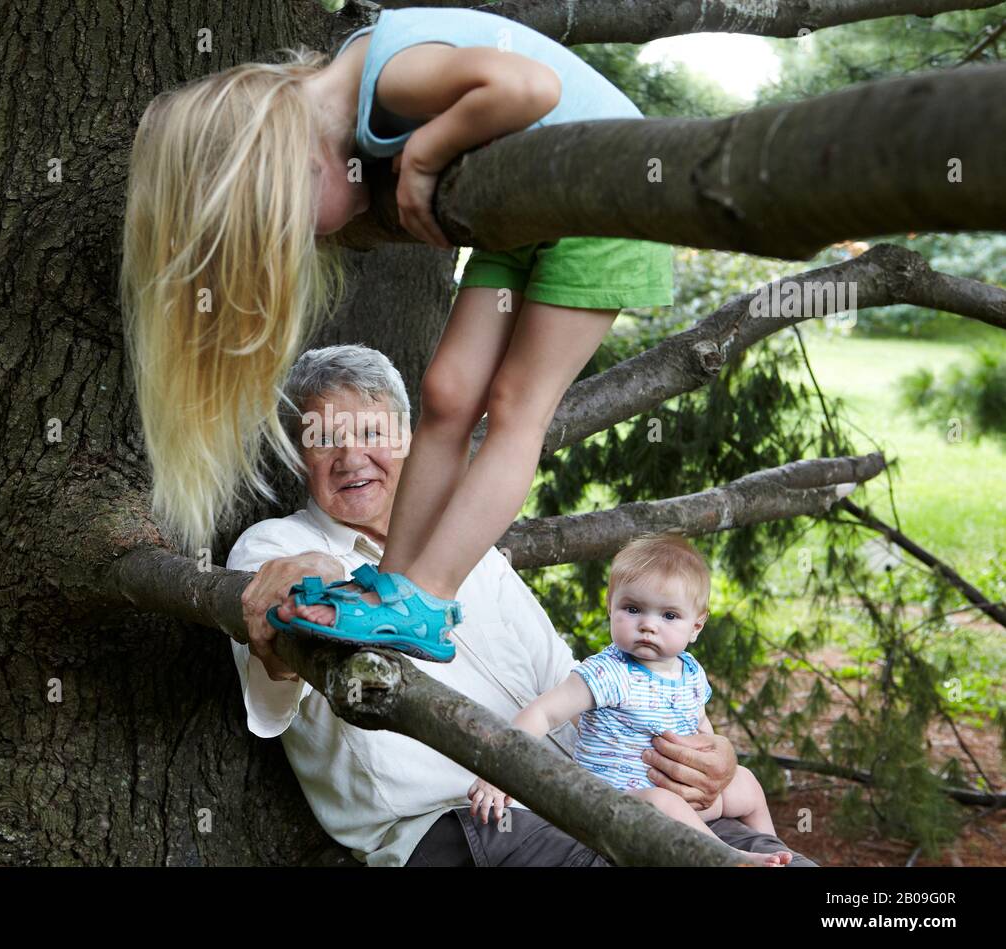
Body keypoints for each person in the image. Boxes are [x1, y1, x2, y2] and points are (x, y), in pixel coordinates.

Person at [120, 9, 673, 658]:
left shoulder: (390, 75)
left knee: (518, 407)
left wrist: (425, 159)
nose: (315, 241)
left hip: (603, 195)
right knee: (445, 392)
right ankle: (395, 590)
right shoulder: (358, 92)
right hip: (531, 212)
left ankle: (427, 602)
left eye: (292, 229)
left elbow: (529, 90)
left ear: (297, 167)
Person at [228, 344, 815, 866]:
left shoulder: (463, 537)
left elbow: (569, 680)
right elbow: (275, 687)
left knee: (775, 858)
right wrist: (314, 586)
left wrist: (703, 750)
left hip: (580, 786)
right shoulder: (276, 550)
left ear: (409, 436)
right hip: (458, 824)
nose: (352, 458)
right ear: (298, 456)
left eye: (372, 432)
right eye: (325, 440)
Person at [468, 533, 795, 865]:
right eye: (633, 609)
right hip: (615, 805)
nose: (648, 626)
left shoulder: (691, 673)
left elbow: (700, 728)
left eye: (669, 615)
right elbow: (542, 713)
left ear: (696, 625)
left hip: (682, 796)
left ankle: (774, 850)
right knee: (660, 803)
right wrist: (500, 769)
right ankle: (727, 858)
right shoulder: (607, 673)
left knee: (746, 782)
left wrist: (708, 767)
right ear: (611, 606)